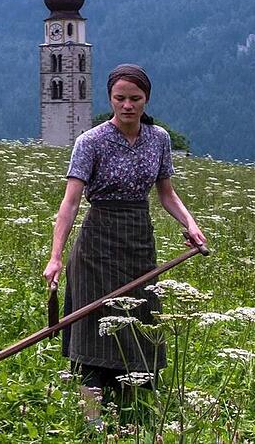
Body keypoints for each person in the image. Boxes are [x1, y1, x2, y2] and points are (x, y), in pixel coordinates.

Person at [41, 64, 207, 427]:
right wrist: (55, 257)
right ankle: (93, 418)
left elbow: (167, 194)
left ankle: (135, 413)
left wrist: (190, 224)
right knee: (93, 323)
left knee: (139, 321)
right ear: (110, 99)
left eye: (135, 98)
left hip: (139, 241)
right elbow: (69, 204)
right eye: (120, 98)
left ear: (146, 99)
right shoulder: (91, 142)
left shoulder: (159, 139)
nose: (127, 105)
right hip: (96, 243)